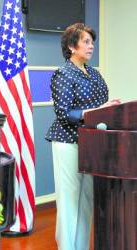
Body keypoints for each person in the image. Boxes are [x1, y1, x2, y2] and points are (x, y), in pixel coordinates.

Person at [45, 23, 120, 250]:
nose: (91, 46)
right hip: (68, 143)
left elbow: (103, 106)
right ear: (71, 46)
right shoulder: (63, 73)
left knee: (86, 202)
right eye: (86, 41)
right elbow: (64, 113)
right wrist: (92, 112)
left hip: (92, 145)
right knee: (69, 203)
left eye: (92, 42)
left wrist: (110, 108)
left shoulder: (95, 74)